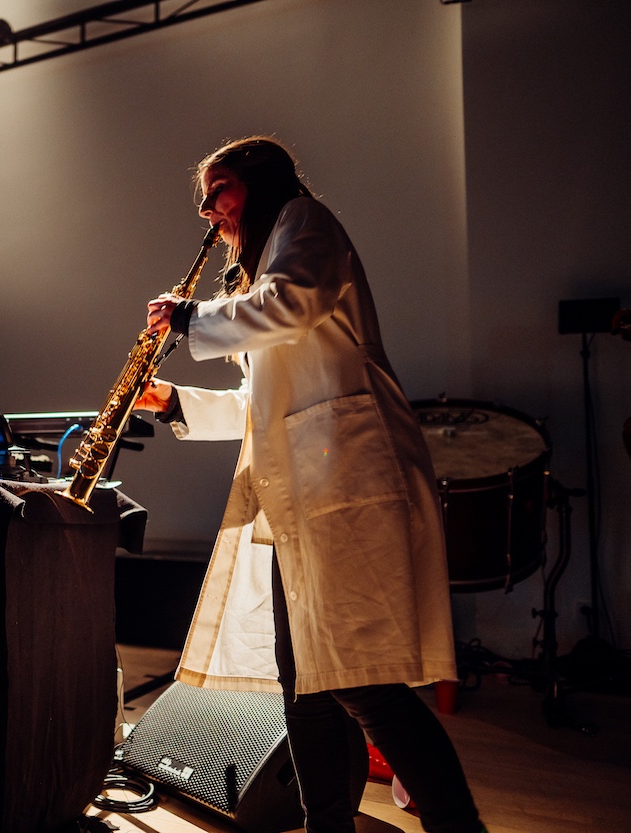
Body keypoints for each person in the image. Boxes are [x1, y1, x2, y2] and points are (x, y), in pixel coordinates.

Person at [134, 137, 486, 833]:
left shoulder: (304, 222)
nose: (209, 210)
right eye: (203, 198)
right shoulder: (257, 277)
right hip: (301, 495)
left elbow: (293, 302)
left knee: (363, 684)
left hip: (344, 482)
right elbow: (257, 408)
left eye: (220, 189)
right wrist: (175, 401)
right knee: (306, 691)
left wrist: (191, 318)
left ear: (261, 182)